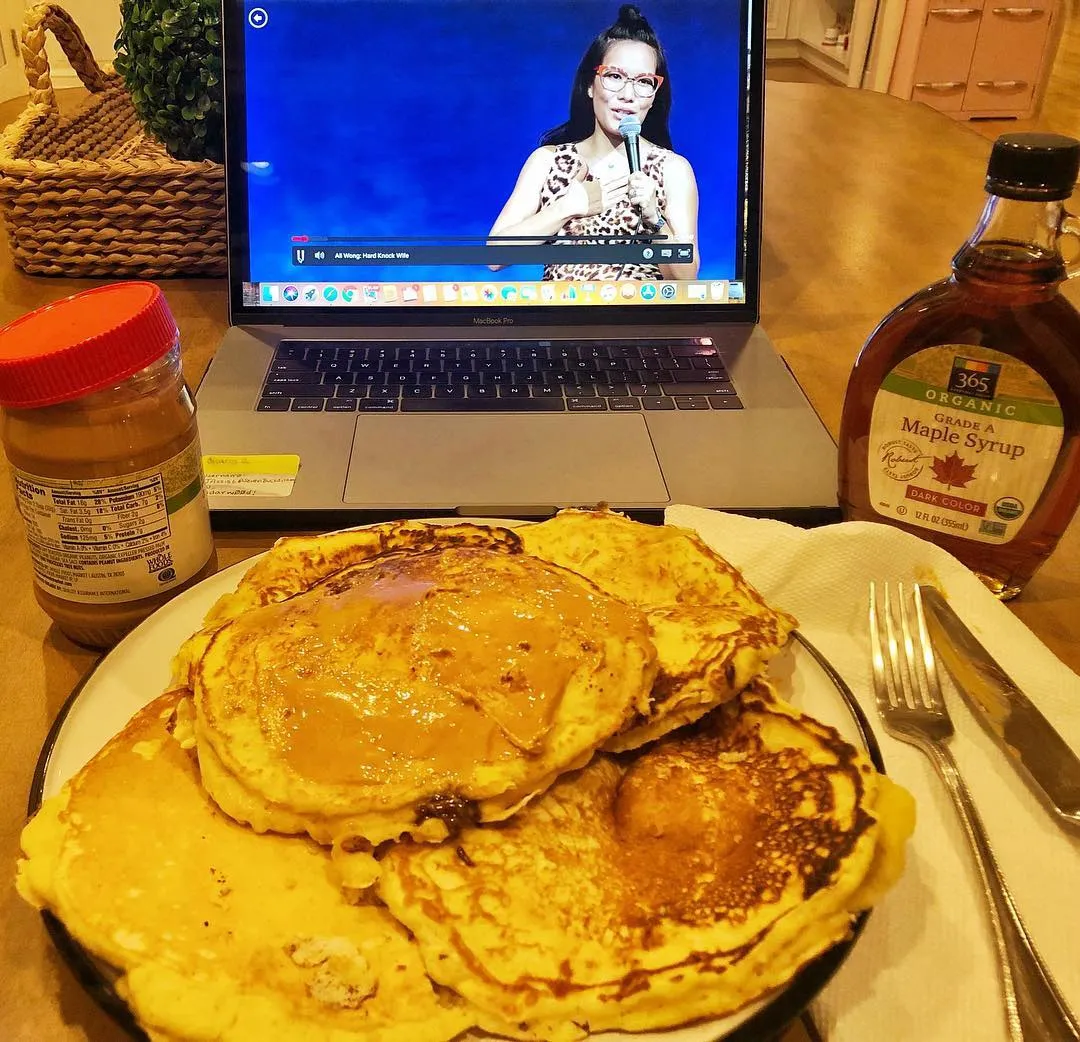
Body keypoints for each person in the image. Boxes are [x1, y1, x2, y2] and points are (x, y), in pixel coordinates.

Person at [489, 5, 699, 281]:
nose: (628, 94)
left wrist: (655, 219)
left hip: (639, 309)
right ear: (590, 84)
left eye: (643, 81)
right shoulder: (548, 161)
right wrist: (565, 208)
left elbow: (686, 279)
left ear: (654, 95)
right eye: (614, 76)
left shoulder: (672, 169)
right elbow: (494, 257)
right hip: (560, 309)